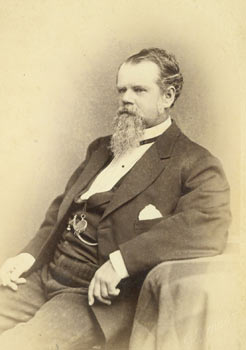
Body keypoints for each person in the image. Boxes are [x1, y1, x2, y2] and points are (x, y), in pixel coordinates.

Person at [0, 48, 231, 350]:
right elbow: (61, 210)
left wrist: (121, 263)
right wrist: (27, 257)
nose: (125, 98)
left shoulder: (195, 161)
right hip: (43, 276)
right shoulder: (101, 148)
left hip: (91, 296)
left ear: (168, 96)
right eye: (122, 89)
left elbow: (208, 224)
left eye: (138, 90)